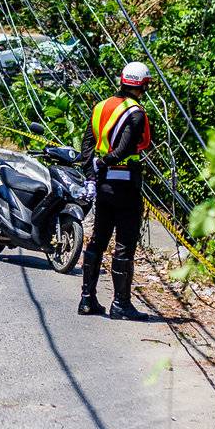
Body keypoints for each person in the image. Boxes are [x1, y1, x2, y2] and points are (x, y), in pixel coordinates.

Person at [78, 61, 153, 321]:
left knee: (98, 239)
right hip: (126, 185)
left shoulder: (101, 107)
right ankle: (121, 304)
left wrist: (92, 173)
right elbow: (124, 149)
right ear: (143, 85)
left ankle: (87, 299)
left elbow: (87, 144)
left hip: (102, 184)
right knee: (124, 245)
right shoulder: (135, 112)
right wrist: (105, 162)